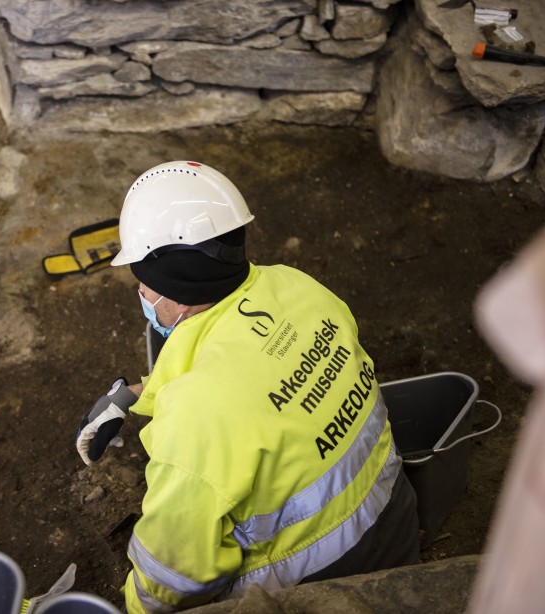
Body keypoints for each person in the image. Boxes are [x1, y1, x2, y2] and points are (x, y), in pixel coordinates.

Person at [75, 161, 420, 612]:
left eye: (142, 281)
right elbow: (244, 369)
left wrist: (134, 610)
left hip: (318, 584)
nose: (141, 292)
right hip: (396, 517)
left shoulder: (197, 420)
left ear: (170, 286)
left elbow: (176, 575)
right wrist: (140, 394)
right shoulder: (296, 286)